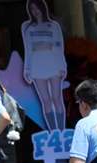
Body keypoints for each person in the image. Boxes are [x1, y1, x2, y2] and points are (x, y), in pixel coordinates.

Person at [22, 0, 68, 131]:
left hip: (53, 64)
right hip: (37, 66)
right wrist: (27, 69)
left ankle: (61, 129)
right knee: (46, 101)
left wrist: (62, 66)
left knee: (56, 98)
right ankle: (53, 130)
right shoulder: (28, 28)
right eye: (32, 9)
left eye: (37, 8)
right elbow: (28, 50)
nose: (35, 11)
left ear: (43, 8)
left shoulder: (53, 26)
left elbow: (59, 47)